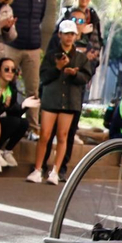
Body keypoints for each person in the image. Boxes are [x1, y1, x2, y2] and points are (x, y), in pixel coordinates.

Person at [29, 20, 92, 185]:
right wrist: (57, 67)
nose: (69, 37)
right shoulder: (51, 56)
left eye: (72, 34)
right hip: (52, 98)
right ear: (60, 35)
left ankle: (55, 171)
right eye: (66, 34)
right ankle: (37, 169)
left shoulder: (80, 58)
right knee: (45, 134)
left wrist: (74, 74)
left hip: (70, 100)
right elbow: (43, 78)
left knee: (63, 136)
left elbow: (85, 77)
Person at [0, 0, 47, 134]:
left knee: (32, 89)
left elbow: (39, 18)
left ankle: (33, 128)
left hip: (32, 47)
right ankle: (2, 118)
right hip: (12, 45)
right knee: (6, 83)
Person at [0, 57, 32, 167]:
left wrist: (24, 106)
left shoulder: (11, 89)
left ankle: (7, 150)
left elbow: (13, 113)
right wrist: (4, 105)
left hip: (2, 122)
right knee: (13, 121)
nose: (10, 72)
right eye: (6, 69)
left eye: (13, 70)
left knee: (23, 123)